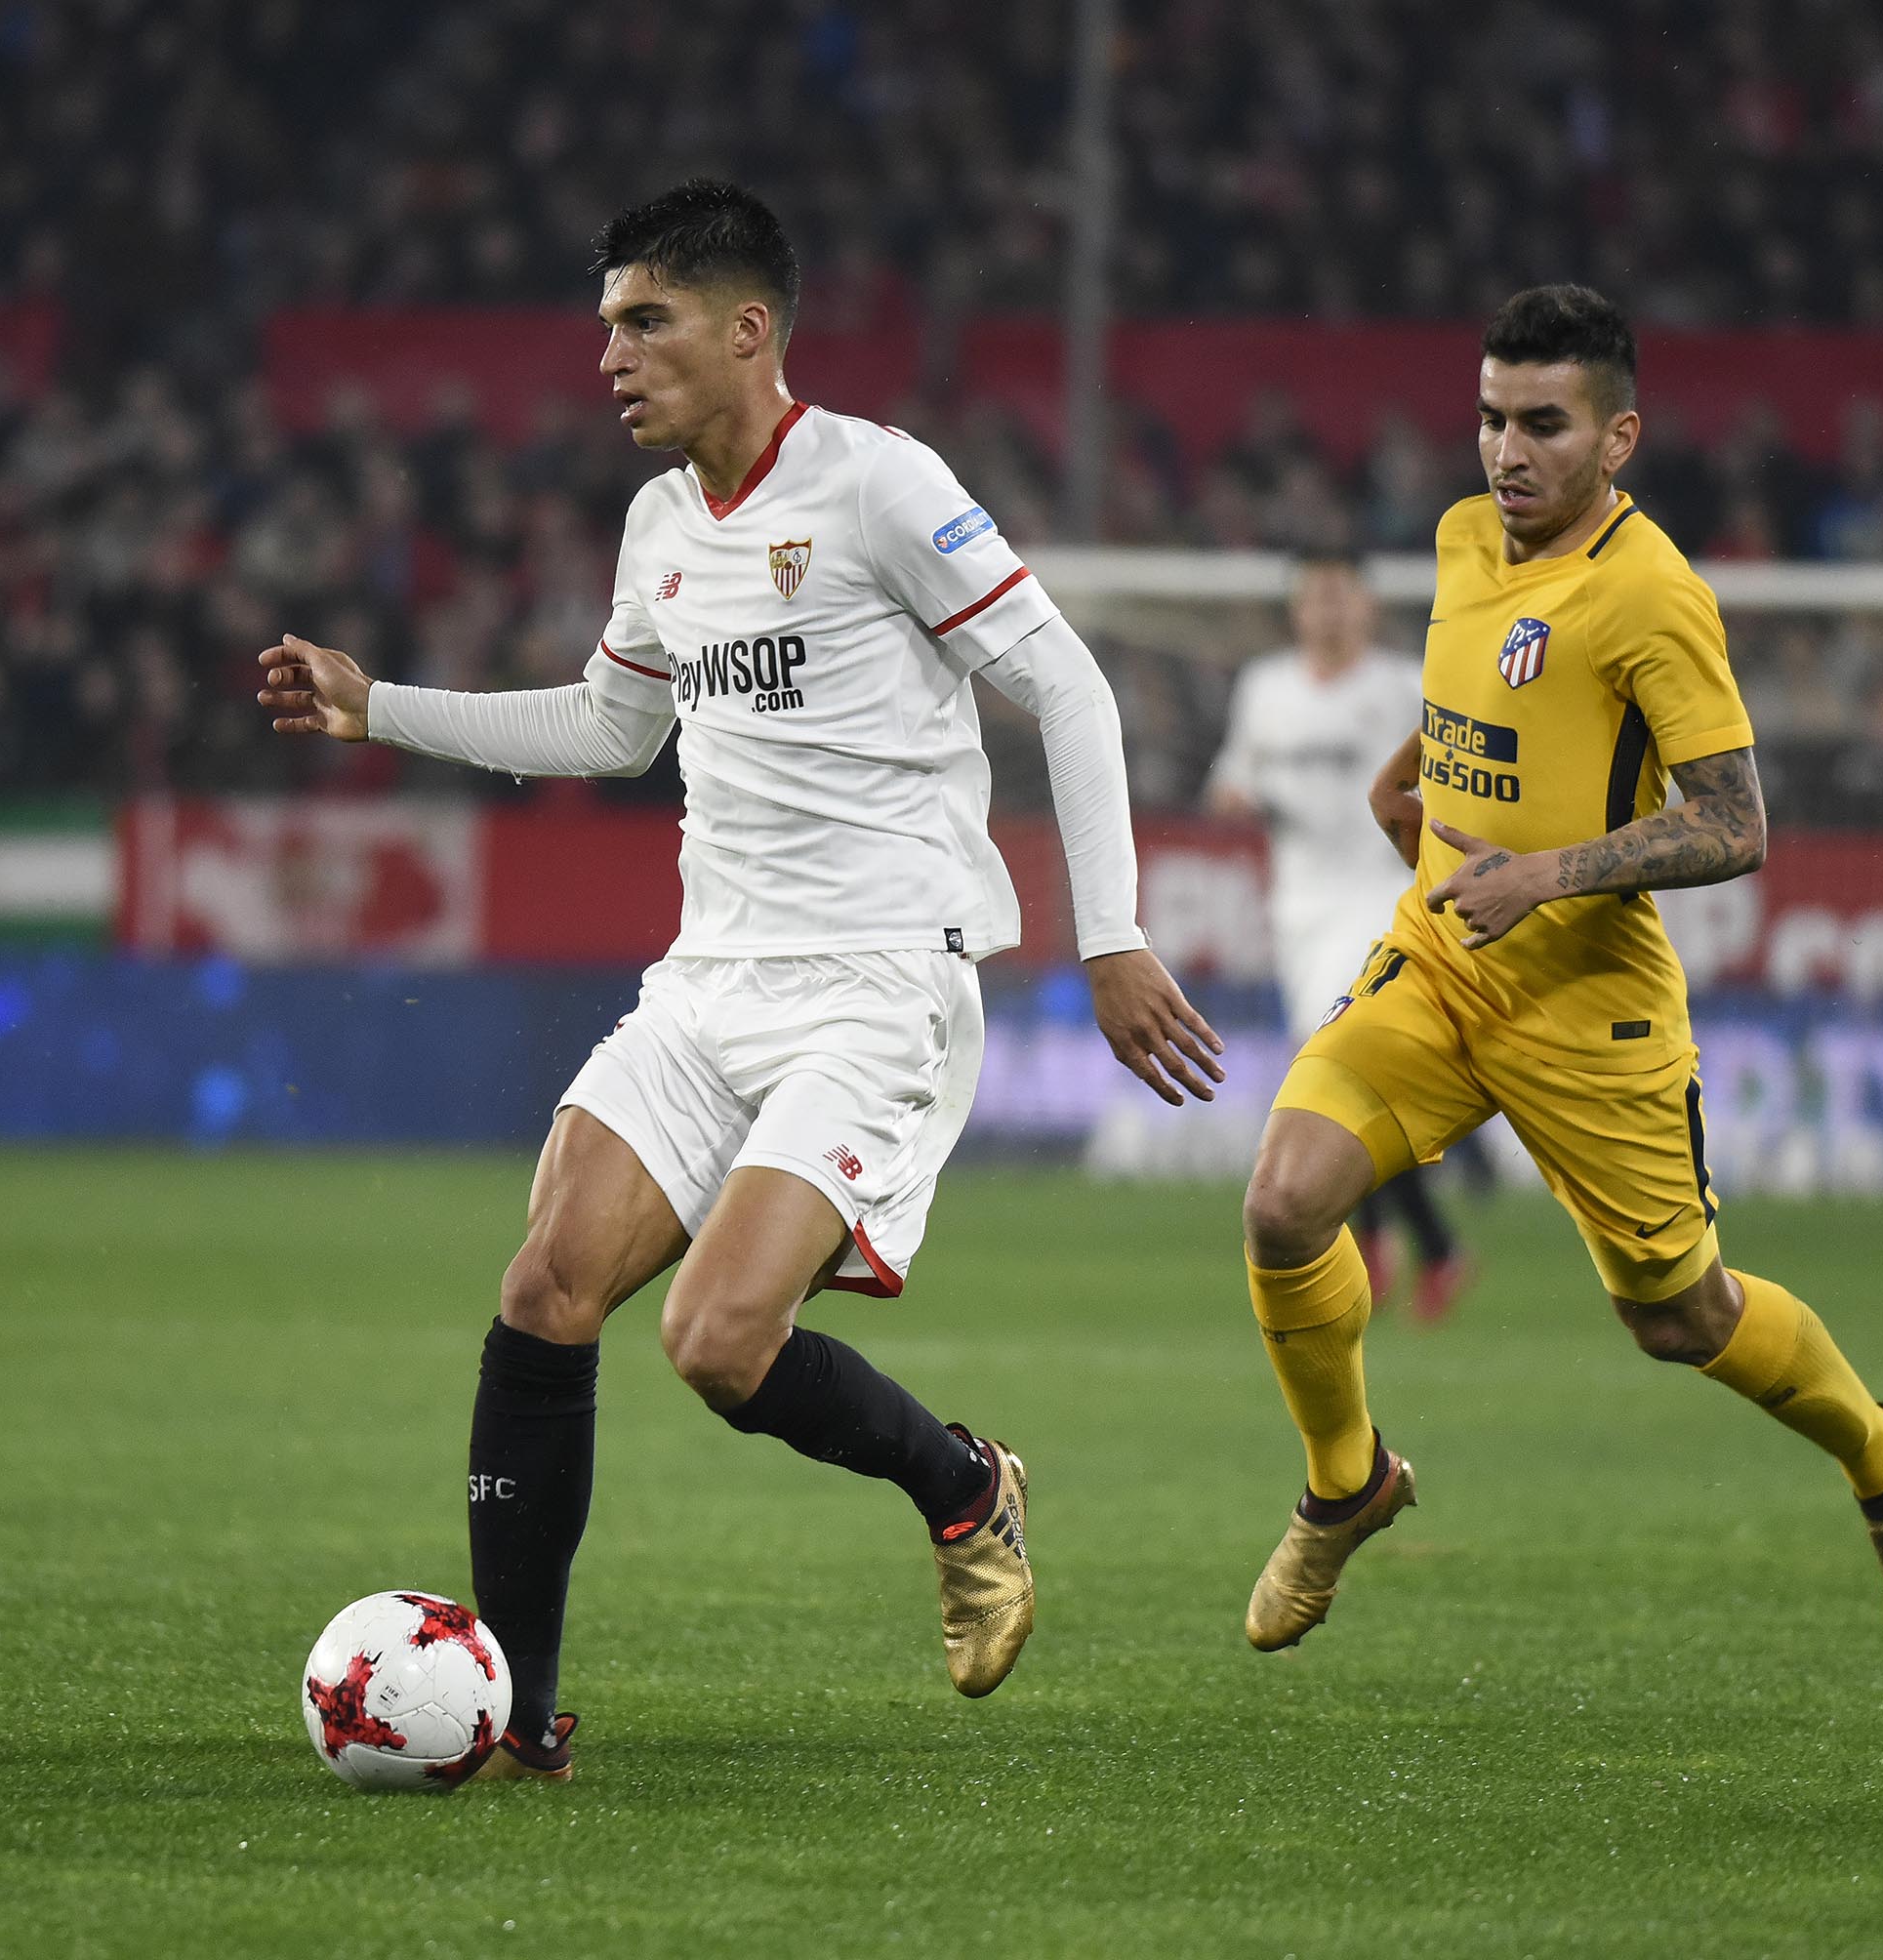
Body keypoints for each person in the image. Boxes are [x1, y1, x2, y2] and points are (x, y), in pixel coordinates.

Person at [260, 180, 1220, 1778]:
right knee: (545, 1283)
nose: (610, 357)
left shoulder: (880, 486)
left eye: (644, 322)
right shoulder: (658, 525)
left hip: (874, 987)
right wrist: (382, 709)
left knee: (710, 1340)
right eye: (603, 327)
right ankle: (520, 1714)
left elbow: (1065, 681)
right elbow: (611, 728)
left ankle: (962, 1483)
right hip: (709, 982)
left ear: (745, 328)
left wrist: (1107, 931)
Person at [1234, 285, 1883, 1654]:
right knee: (1283, 1202)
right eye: (1491, 419)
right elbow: (1466, 720)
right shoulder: (1459, 541)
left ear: (1618, 436)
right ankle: (1346, 1485)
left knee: (1682, 1318)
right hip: (1442, 963)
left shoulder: (1650, 595)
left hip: (1591, 1010)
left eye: (1544, 425)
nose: (1508, 451)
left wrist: (1543, 876)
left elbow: (1734, 823)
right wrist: (1409, 789)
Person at [1207, 550, 1474, 1321]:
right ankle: (1419, 1245)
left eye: (1339, 595)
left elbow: (1451, 775)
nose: (1325, 610)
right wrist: (1233, 796)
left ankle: (1380, 1241)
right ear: (1296, 610)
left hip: (1380, 896)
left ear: (1365, 606)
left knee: (1341, 1067)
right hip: (1300, 907)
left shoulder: (1398, 687)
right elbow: (1235, 777)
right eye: (1312, 597)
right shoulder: (1264, 687)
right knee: (1344, 1079)